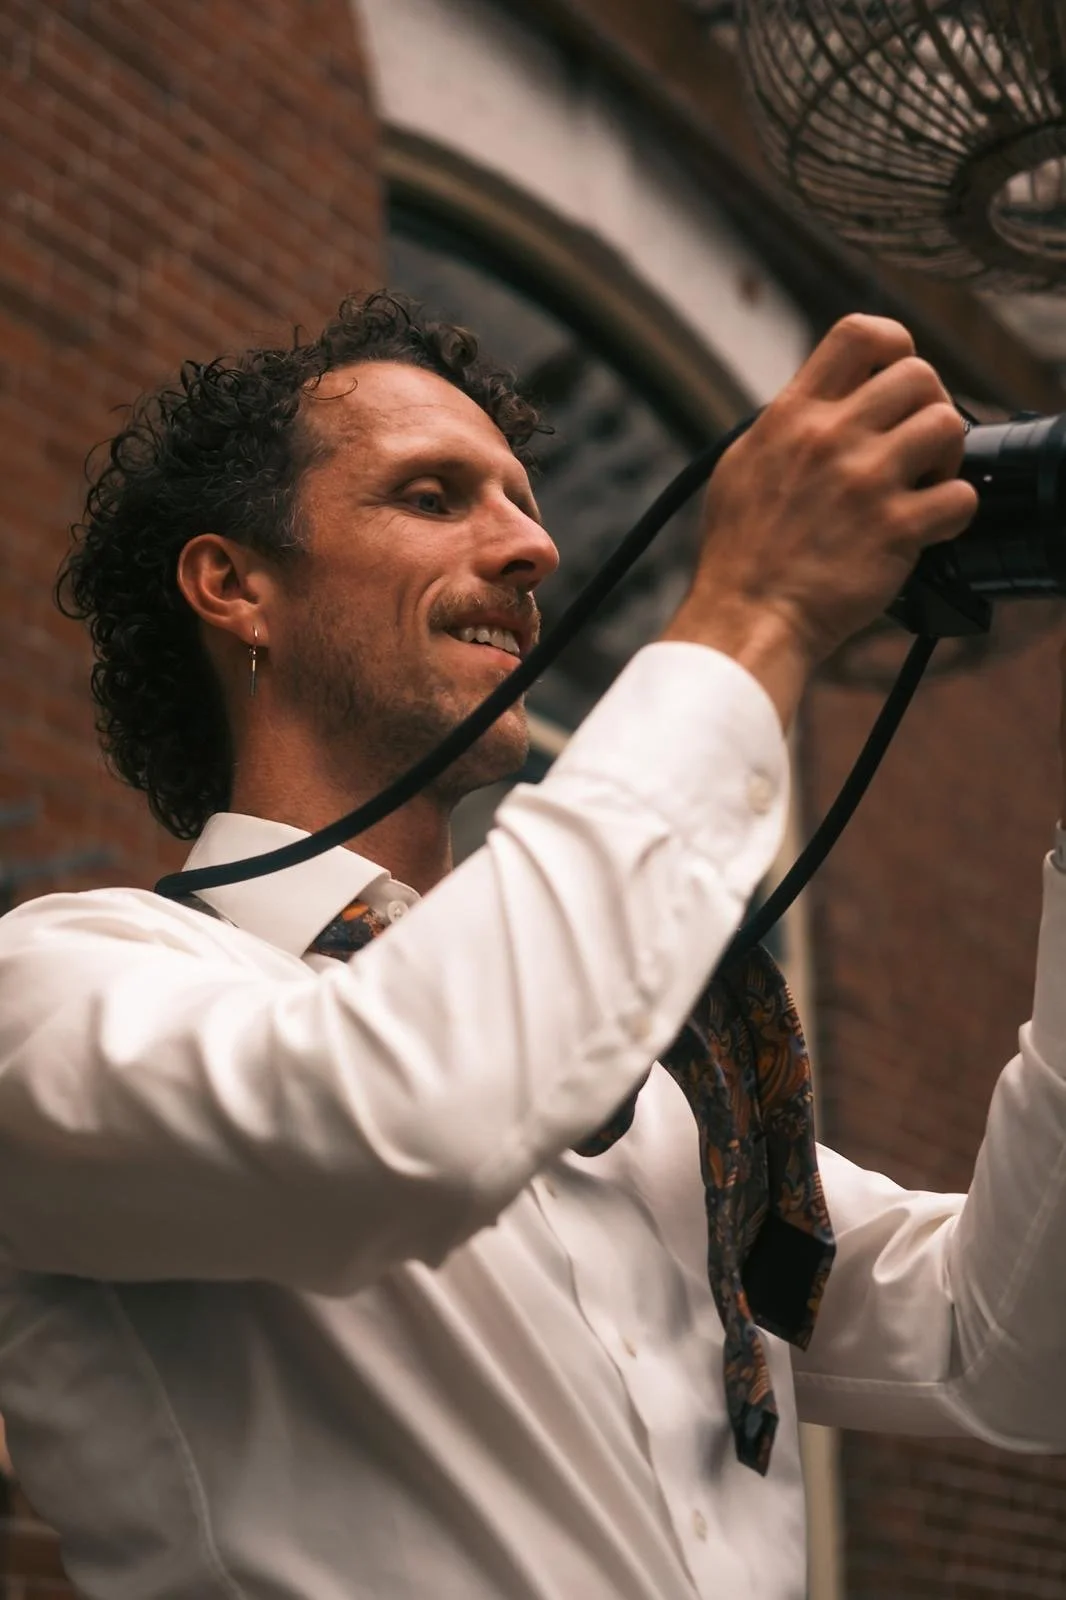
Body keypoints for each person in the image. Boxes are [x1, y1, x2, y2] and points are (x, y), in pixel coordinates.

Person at [0, 290, 1063, 1600]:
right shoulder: (55, 988)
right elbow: (400, 1122)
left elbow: (1006, 1351)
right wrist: (754, 613)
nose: (535, 548)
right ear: (236, 587)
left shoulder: (650, 1097)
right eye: (433, 496)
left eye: (524, 501)